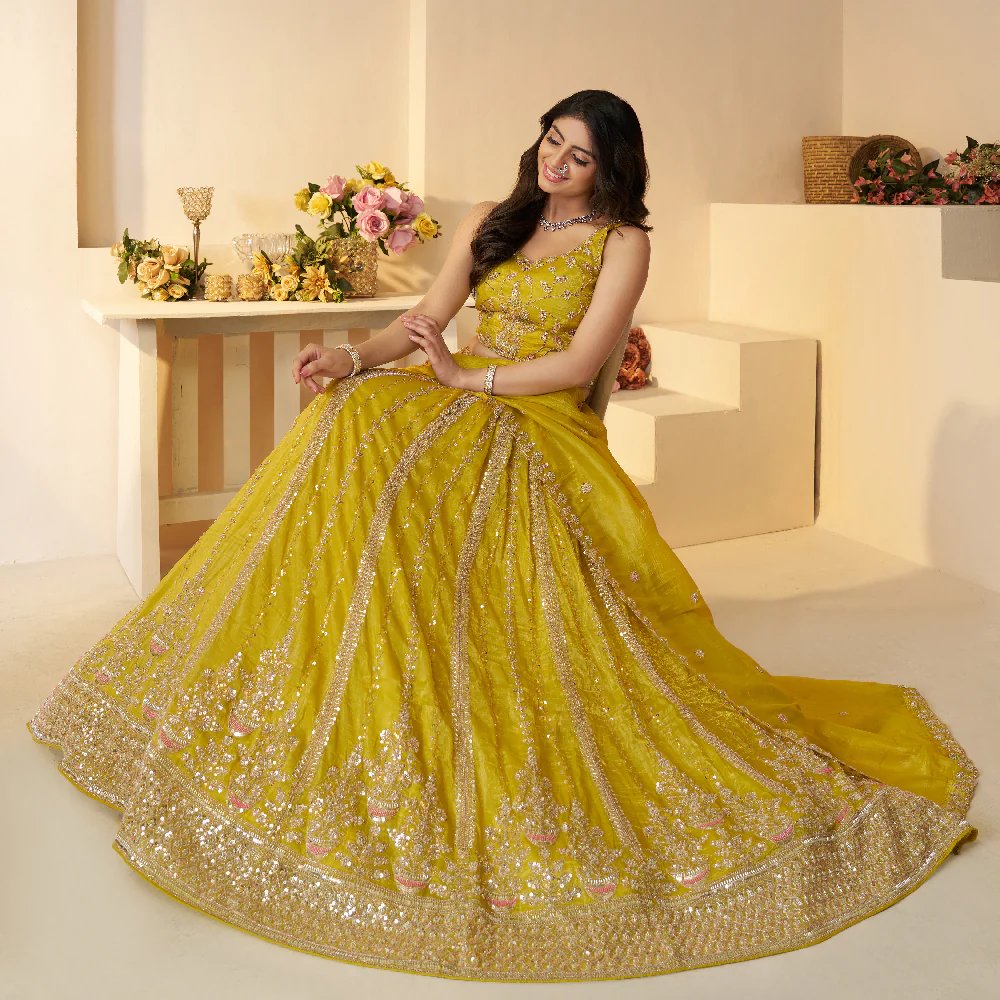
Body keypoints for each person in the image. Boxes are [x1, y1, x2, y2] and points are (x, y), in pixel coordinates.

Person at [27, 90, 978, 982]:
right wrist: (352, 357)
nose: (557, 161)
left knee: (404, 449)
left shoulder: (624, 244)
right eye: (552, 140)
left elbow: (579, 361)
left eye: (580, 155)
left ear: (612, 168)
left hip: (531, 413)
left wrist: (466, 381)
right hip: (454, 390)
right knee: (348, 418)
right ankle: (358, 653)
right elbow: (427, 320)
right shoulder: (497, 216)